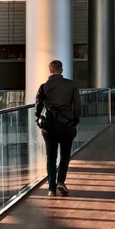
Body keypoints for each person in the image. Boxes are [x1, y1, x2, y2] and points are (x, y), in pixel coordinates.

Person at [34, 59, 81, 197]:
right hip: (66, 125)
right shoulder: (71, 85)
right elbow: (77, 106)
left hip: (49, 127)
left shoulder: (44, 87)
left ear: (50, 70)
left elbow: (38, 106)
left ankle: (51, 188)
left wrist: (39, 120)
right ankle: (61, 180)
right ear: (61, 70)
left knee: (51, 157)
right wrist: (75, 121)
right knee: (65, 155)